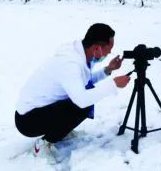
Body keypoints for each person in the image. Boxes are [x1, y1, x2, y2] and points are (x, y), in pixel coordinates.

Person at [15, 23, 131, 159]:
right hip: (28, 121)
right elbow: (81, 100)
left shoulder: (80, 54)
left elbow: (82, 81)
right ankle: (43, 144)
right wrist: (113, 84)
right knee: (82, 106)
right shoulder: (70, 63)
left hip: (38, 111)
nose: (108, 53)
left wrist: (107, 70)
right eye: (108, 49)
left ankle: (60, 131)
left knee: (82, 98)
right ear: (97, 48)